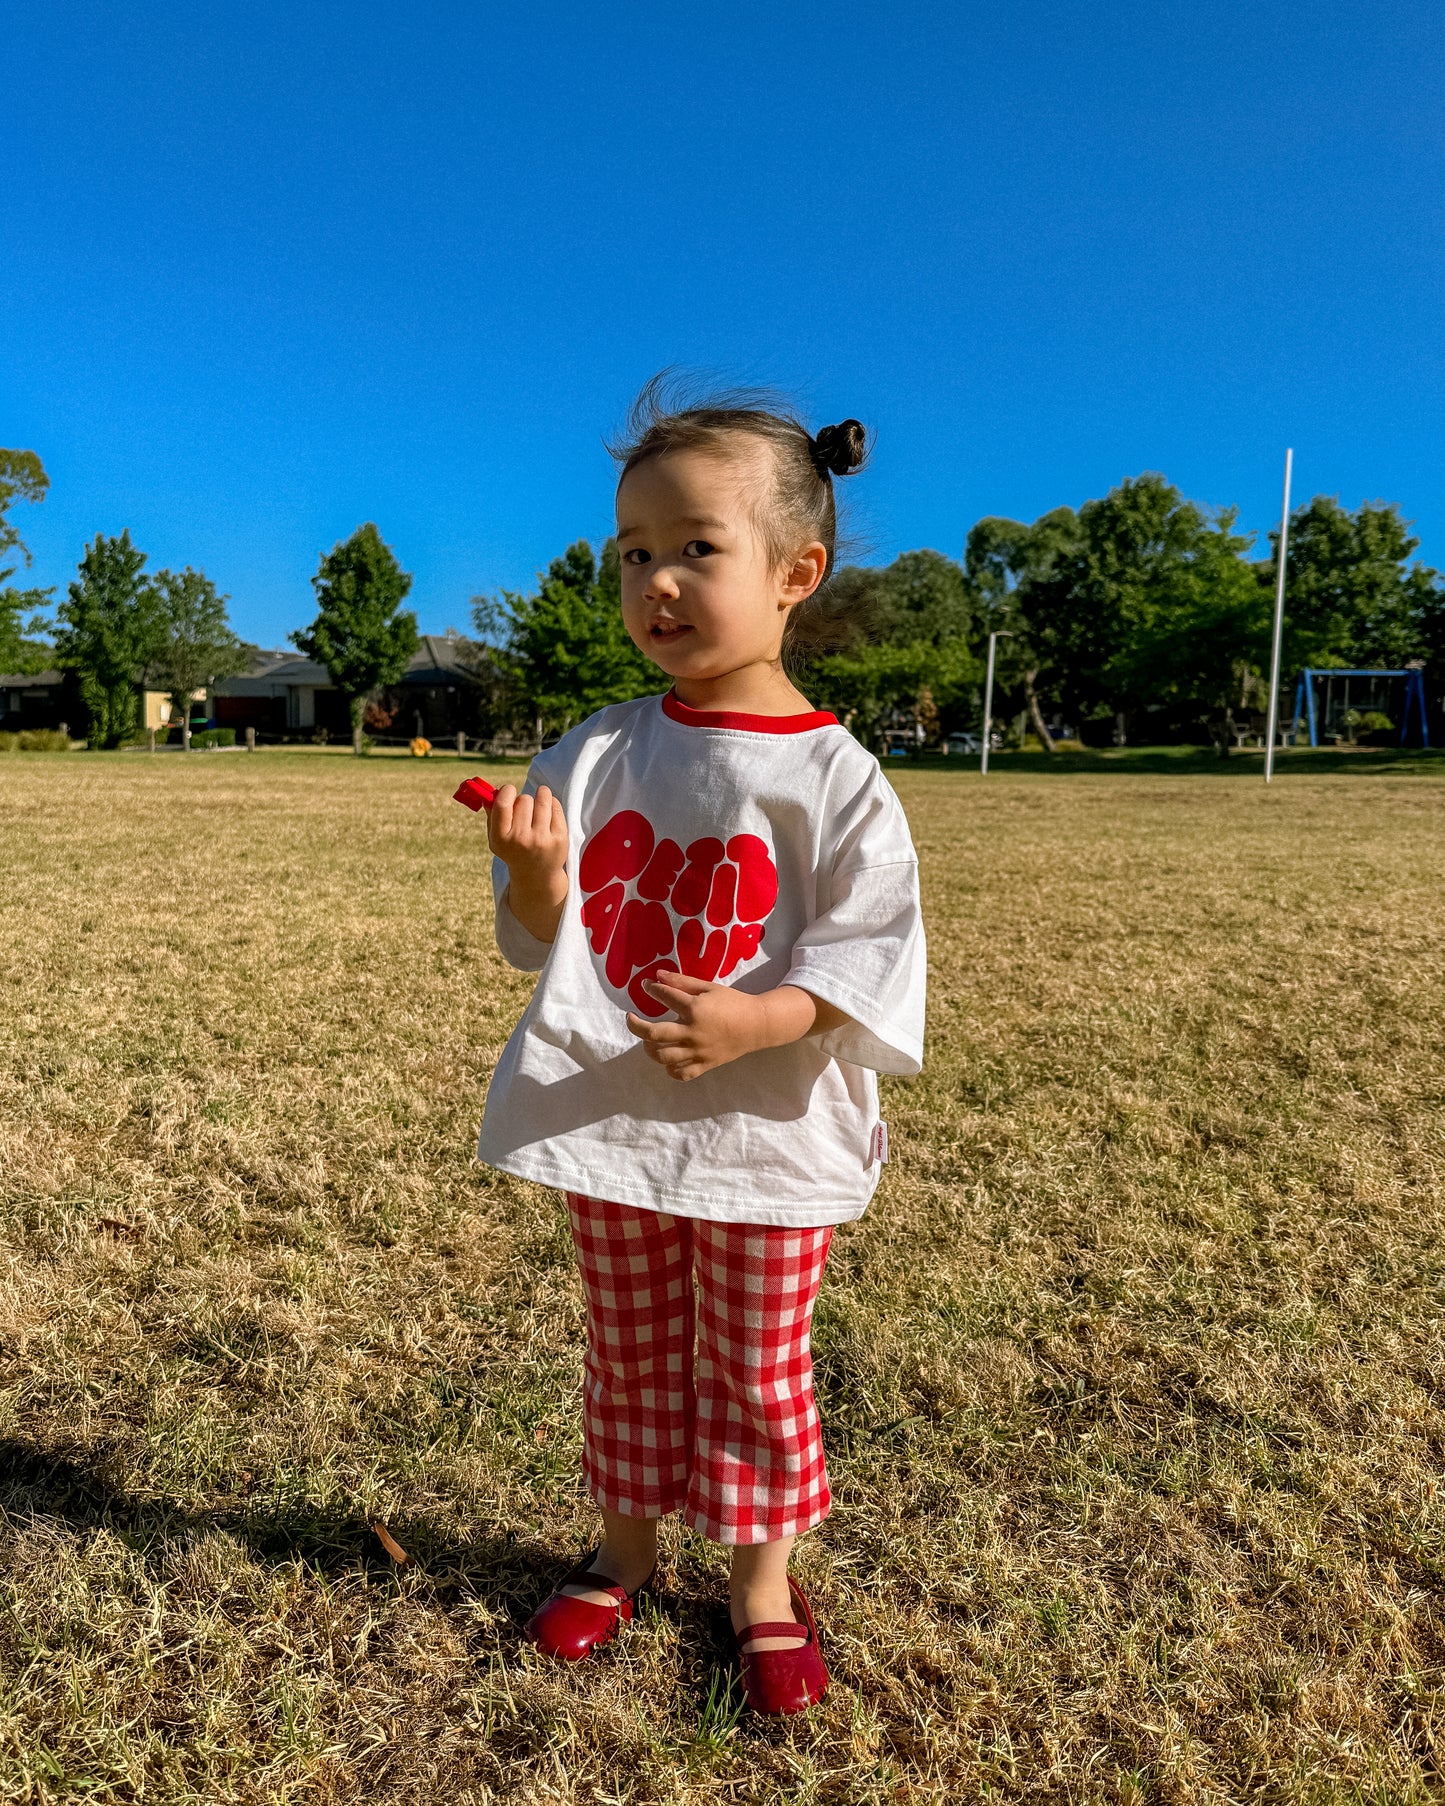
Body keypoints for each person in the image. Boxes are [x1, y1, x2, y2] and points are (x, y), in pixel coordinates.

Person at [475, 379, 927, 1716]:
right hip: (614, 1126)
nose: (655, 581)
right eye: (634, 552)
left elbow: (866, 952)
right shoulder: (603, 748)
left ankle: (760, 1584)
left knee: (754, 1363)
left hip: (764, 1136)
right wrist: (533, 875)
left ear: (797, 571)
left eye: (694, 548)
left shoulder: (833, 773)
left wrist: (759, 1016)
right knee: (627, 1350)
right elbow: (540, 937)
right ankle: (619, 1552)